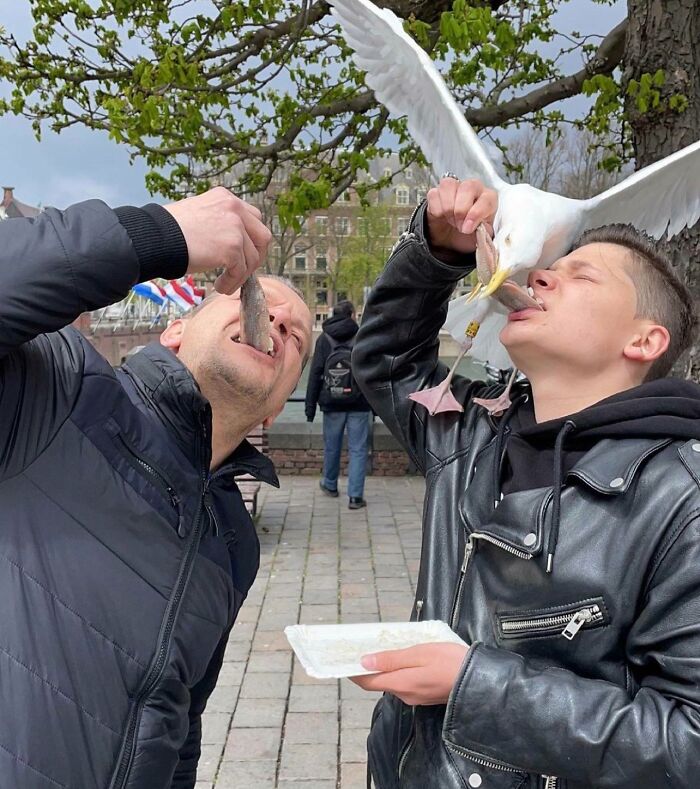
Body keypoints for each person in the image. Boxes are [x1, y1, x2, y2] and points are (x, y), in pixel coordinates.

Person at [351, 176, 700, 789]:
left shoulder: (682, 499)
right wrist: (437, 250)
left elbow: (686, 741)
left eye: (581, 276)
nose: (540, 275)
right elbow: (386, 362)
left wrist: (472, 685)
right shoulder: (466, 433)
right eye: (547, 268)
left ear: (645, 341)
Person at [0, 187, 312, 789]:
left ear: (277, 405)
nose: (276, 321)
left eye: (296, 337)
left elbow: (178, 718)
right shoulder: (59, 390)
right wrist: (152, 236)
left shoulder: (233, 541)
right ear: (174, 333)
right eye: (258, 300)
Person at [305, 299, 371, 509]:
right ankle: (355, 497)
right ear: (352, 314)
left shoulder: (324, 339)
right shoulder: (362, 336)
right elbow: (370, 372)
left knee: (332, 447)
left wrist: (310, 408)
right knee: (358, 449)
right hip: (359, 403)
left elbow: (315, 374)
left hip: (331, 401)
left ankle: (330, 485)